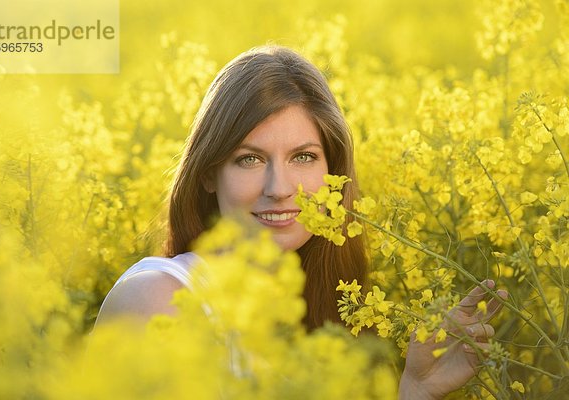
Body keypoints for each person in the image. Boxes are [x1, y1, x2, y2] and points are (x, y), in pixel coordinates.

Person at [95, 45, 507, 399]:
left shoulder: (328, 317)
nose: (279, 187)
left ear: (334, 172)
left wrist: (414, 391)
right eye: (250, 159)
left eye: (303, 157)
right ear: (207, 173)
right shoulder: (156, 299)